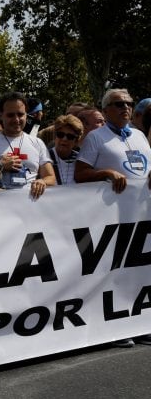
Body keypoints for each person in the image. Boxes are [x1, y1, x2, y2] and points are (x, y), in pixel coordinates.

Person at [75, 89, 151, 347]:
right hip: (112, 220)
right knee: (114, 273)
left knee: (139, 272)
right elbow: (80, 174)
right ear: (106, 109)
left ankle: (141, 323)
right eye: (119, 104)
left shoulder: (140, 136)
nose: (125, 108)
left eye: (129, 104)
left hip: (141, 217)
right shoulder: (96, 138)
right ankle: (115, 329)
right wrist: (105, 172)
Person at [0, 92, 56, 199]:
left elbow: (50, 177)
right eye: (10, 115)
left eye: (20, 114)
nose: (16, 119)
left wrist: (42, 181)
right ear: (1, 115)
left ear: (26, 115)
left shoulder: (37, 143)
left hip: (29, 205)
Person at [48, 115, 83, 185]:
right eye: (60, 134)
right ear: (55, 136)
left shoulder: (81, 160)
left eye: (70, 136)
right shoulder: (45, 157)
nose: (64, 139)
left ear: (76, 141)